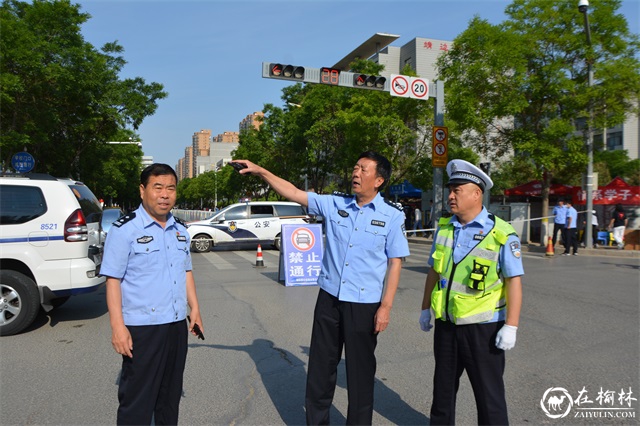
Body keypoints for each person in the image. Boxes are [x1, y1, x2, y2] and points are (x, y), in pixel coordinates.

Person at [233, 151, 410, 425]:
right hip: (329, 299)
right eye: (355, 166)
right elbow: (293, 192)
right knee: (320, 369)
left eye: (363, 169)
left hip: (364, 305)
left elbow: (395, 262)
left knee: (360, 374)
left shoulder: (391, 216)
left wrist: (385, 307)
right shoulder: (334, 204)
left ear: (379, 180)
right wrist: (261, 171)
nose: (356, 173)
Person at [418, 159, 523, 425]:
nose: (450, 196)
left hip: (483, 329)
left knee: (489, 398)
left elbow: (513, 282)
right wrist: (424, 309)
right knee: (442, 394)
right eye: (449, 190)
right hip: (447, 324)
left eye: (457, 190)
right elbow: (434, 271)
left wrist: (511, 325)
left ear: (477, 193)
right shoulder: (444, 228)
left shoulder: (501, 234)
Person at [101, 163, 204, 425]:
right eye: (157, 187)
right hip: (142, 329)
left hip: (175, 325)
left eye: (170, 188)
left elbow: (186, 271)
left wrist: (195, 309)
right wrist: (117, 328)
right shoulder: (125, 230)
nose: (165, 194)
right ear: (142, 190)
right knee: (137, 400)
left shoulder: (180, 230)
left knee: (169, 399)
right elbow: (113, 280)